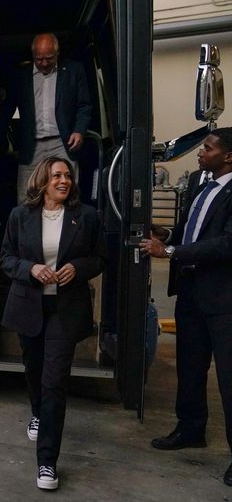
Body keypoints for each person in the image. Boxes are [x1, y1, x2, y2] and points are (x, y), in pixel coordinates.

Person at [0, 156, 106, 490]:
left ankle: (47, 463)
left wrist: (79, 268)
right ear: (43, 180)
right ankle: (36, 412)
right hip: (29, 306)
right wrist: (30, 269)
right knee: (33, 369)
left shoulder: (86, 216)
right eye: (57, 175)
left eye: (68, 176)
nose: (64, 181)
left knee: (54, 381)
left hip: (66, 308)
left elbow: (100, 258)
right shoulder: (21, 216)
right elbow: (6, 259)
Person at [140, 127, 232, 487]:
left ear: (228, 156)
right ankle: (190, 428)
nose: (200, 152)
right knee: (191, 368)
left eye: (207, 148)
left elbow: (226, 244)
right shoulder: (198, 181)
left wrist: (171, 253)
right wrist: (167, 236)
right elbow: (191, 229)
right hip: (190, 292)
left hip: (223, 299)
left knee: (227, 379)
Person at [2, 33, 92, 203]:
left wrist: (79, 131)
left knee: (67, 194)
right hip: (31, 145)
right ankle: (29, 230)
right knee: (26, 196)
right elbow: (8, 108)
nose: (44, 63)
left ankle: (66, 228)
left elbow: (84, 105)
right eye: (39, 59)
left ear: (57, 53)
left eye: (49, 58)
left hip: (62, 143)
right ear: (33, 55)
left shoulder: (73, 70)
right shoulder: (21, 75)